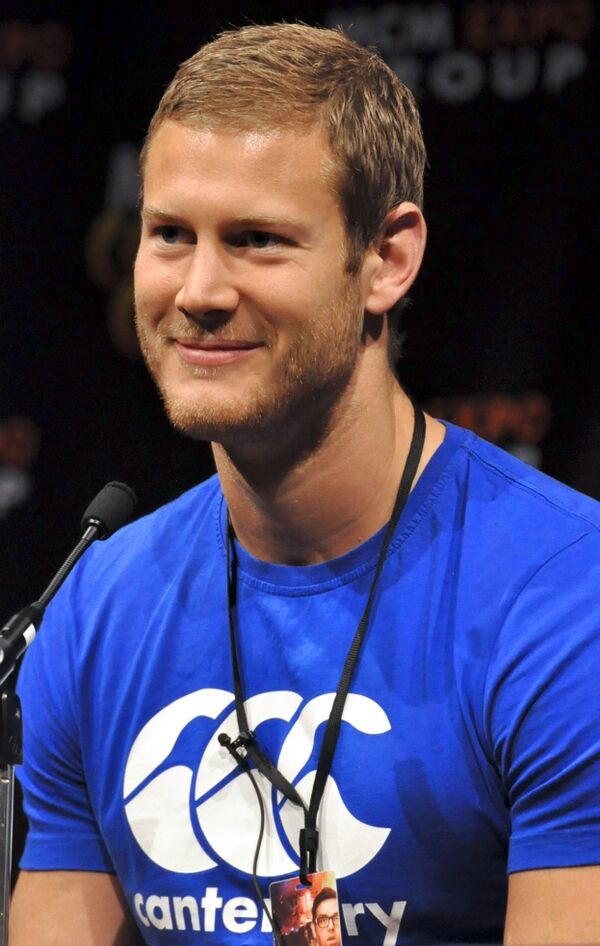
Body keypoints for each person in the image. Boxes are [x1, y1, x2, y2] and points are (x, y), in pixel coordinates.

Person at [10, 21, 600, 946]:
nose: (199, 291)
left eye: (257, 240)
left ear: (387, 260)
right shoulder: (95, 613)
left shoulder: (567, 597)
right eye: (170, 234)